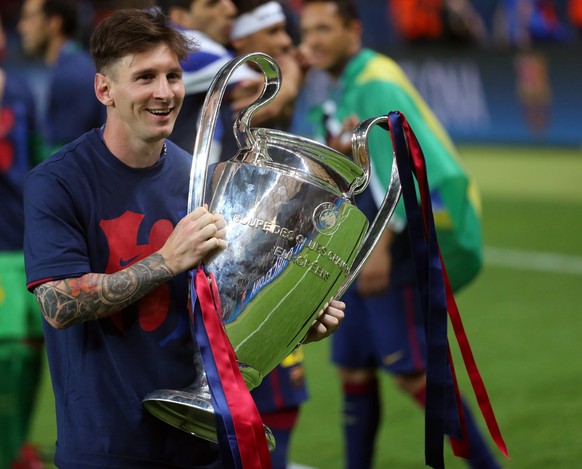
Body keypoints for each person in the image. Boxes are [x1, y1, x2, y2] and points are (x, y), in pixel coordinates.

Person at [22, 8, 344, 468]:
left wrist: (291, 323)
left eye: (173, 76)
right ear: (104, 89)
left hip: (200, 442)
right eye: (145, 77)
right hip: (106, 447)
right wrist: (166, 261)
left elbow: (219, 312)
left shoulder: (201, 179)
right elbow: (57, 304)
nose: (164, 92)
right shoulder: (57, 182)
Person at [297, 1, 501, 468]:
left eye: (324, 29)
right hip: (356, 251)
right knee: (353, 368)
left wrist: (383, 246)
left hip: (388, 249)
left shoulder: (375, 80)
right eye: (307, 30)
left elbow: (407, 167)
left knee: (412, 373)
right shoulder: (343, 83)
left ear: (354, 30)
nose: (313, 40)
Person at [230, 2, 308, 467]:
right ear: (241, 42)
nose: (286, 41)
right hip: (242, 273)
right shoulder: (232, 87)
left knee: (280, 400)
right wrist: (291, 74)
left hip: (271, 262)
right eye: (273, 31)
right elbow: (272, 108)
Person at [0, 12, 45, 469]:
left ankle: (15, 444)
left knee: (26, 349)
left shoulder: (18, 90)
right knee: (10, 351)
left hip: (18, 240)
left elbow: (36, 161)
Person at [17, 0, 105, 157]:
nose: (21, 27)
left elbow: (68, 157)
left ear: (54, 23)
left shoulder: (71, 76)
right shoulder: (73, 65)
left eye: (29, 17)